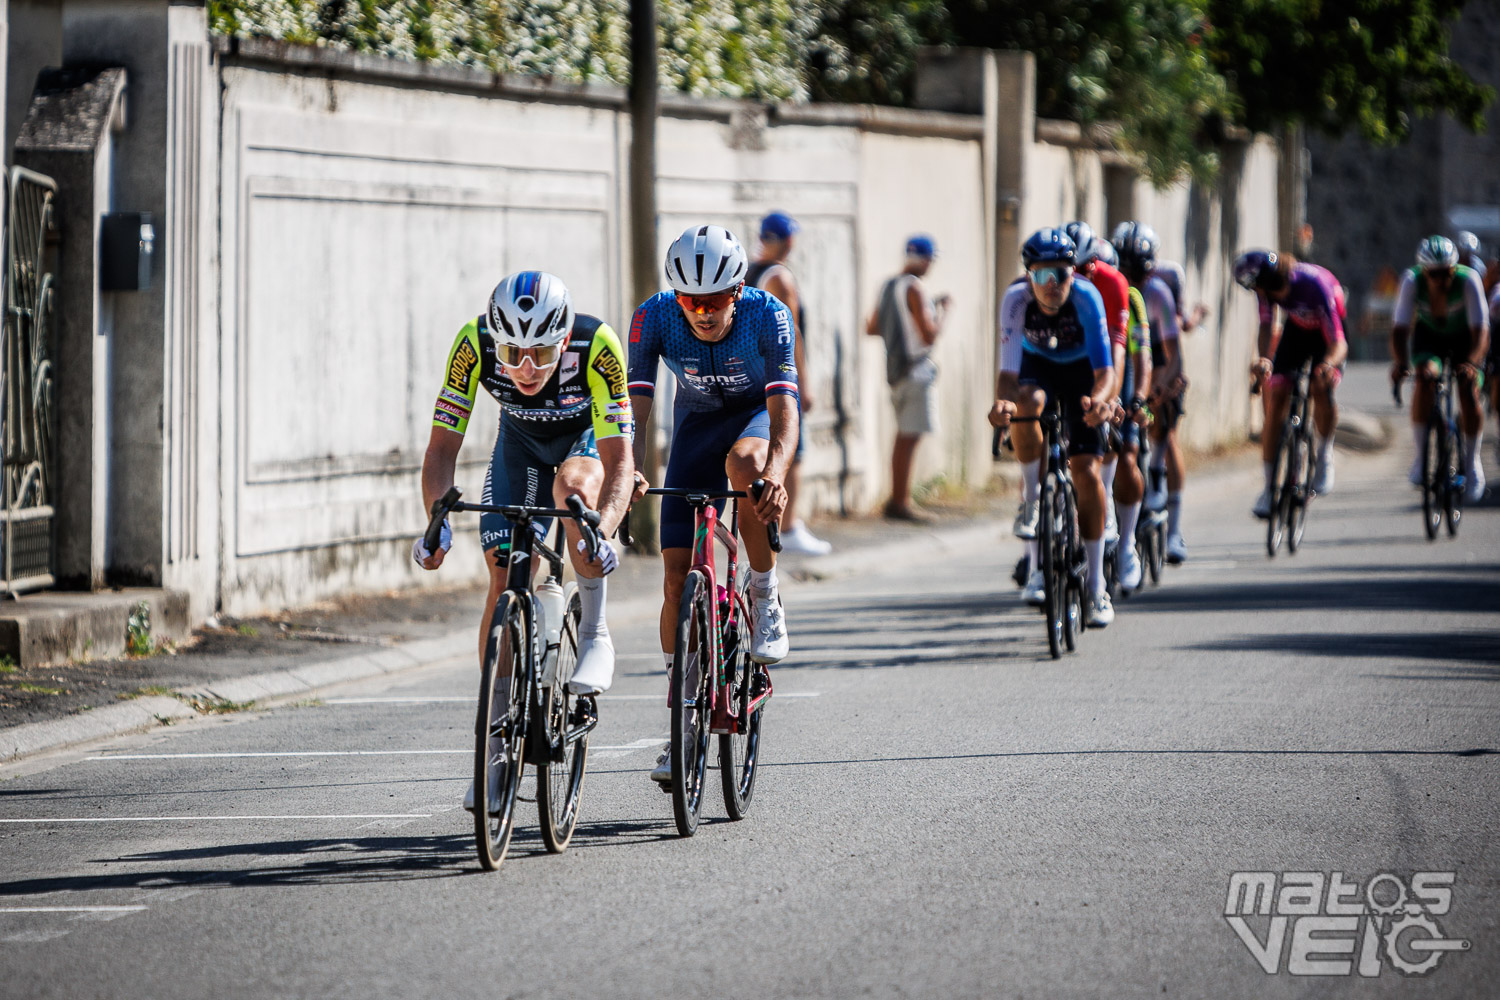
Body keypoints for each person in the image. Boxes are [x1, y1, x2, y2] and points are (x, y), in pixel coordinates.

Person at [415, 271, 635, 809]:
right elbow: (442, 450)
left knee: (573, 493)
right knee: (503, 570)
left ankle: (595, 633)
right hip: (520, 443)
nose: (525, 368)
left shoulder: (595, 346)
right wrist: (436, 519)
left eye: (539, 353)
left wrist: (602, 530)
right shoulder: (475, 345)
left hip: (585, 438)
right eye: (513, 352)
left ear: (562, 340)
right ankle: (492, 751)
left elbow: (621, 462)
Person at [627, 224, 797, 785]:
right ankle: (682, 723)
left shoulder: (766, 314)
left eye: (715, 300)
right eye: (690, 301)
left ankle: (764, 592)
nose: (702, 312)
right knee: (676, 580)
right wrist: (629, 469)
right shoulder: (654, 316)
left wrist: (777, 469)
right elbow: (637, 407)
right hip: (696, 427)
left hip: (753, 419)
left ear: (737, 290)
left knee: (746, 469)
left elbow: (784, 411)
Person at [990, 228, 1116, 627]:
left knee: (1086, 472)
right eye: (1041, 276)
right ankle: (1032, 498)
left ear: (1072, 273)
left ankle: (1096, 587)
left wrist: (1098, 401)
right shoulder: (1015, 300)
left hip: (1082, 373)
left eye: (1060, 274)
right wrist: (1004, 405)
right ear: (1028, 275)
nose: (1051, 285)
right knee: (1027, 405)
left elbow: (1106, 371)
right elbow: (1009, 375)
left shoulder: (1087, 297)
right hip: (1038, 368)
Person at [1235, 250, 1348, 516]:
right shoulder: (1265, 290)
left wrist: (1328, 365)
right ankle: (1268, 487)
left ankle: (1324, 456)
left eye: (1257, 288)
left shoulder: (1313, 285)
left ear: (1267, 282)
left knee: (1320, 386)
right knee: (1276, 401)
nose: (1258, 294)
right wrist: (1264, 360)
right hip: (1297, 331)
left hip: (1327, 336)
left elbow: (1338, 341)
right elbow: (1265, 326)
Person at [747, 211, 831, 555]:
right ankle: (790, 525)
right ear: (789, 241)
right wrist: (805, 383)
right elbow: (791, 332)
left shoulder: (749, 271)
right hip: (779, 375)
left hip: (751, 374)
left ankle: (768, 525)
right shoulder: (780, 277)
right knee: (791, 450)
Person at [1390, 235, 1490, 502]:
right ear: (1424, 271)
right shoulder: (1411, 280)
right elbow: (1400, 330)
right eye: (1434, 274)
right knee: (1424, 380)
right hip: (1429, 336)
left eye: (1446, 273)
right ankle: (1421, 458)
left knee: (1468, 391)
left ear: (1454, 268)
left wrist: (1472, 363)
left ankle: (1472, 462)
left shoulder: (1468, 280)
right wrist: (1401, 363)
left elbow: (1481, 331)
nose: (1441, 280)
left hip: (1464, 338)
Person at [1114, 222, 1189, 564]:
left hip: (1158, 354)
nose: (1132, 278)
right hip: (1127, 352)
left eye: (1139, 271)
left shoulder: (1158, 292)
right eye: (1125, 269)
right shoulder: (1114, 289)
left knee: (1163, 427)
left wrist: (1162, 385)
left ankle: (1174, 531)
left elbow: (1172, 354)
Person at [866, 235, 950, 521]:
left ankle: (898, 499)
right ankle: (900, 502)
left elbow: (872, 326)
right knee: (908, 439)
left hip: (895, 372)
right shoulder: (915, 287)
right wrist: (943, 313)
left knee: (902, 438)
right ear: (926, 259)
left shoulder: (889, 285)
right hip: (915, 371)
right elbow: (929, 334)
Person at [1065, 221, 1128, 547]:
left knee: (1113, 435)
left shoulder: (1112, 283)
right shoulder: (1051, 282)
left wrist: (1110, 398)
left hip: (1103, 362)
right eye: (1066, 269)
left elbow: (1118, 351)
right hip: (1067, 359)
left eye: (1081, 269)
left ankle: (1109, 513)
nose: (1072, 278)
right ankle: (1034, 546)